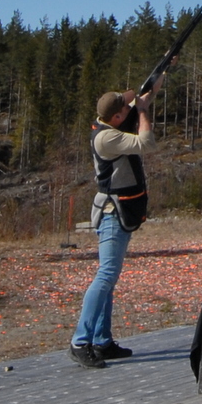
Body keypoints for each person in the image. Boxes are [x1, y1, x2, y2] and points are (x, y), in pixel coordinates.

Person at [69, 68, 166, 369]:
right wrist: (145, 111)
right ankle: (80, 341)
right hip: (113, 213)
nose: (129, 107)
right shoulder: (107, 138)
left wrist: (162, 71)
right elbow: (147, 143)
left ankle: (102, 340)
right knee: (106, 277)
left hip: (119, 212)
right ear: (116, 118)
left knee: (108, 279)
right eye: (125, 109)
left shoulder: (110, 121)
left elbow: (139, 95)